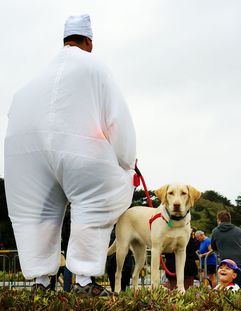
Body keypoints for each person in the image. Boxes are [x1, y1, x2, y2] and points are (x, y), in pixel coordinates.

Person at [4, 14, 136, 297]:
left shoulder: (36, 76)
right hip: (81, 151)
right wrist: (127, 162)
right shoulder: (96, 68)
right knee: (93, 203)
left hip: (27, 155)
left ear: (65, 40)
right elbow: (118, 120)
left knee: (40, 214)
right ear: (88, 41)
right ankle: (84, 281)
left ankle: (41, 281)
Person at [211, 210, 241, 288]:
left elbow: (213, 247)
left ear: (219, 220)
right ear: (229, 220)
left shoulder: (215, 231)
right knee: (239, 288)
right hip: (240, 262)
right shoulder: (239, 230)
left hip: (226, 264)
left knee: (225, 288)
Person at [106, 226, 134, 292]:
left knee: (126, 269)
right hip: (113, 256)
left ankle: (122, 290)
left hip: (125, 254)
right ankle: (116, 291)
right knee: (113, 270)